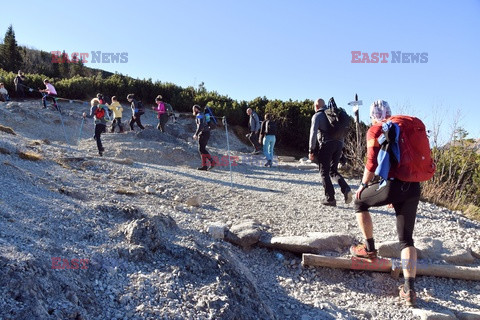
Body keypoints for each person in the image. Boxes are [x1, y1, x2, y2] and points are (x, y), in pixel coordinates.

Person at [350, 100, 420, 307]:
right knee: (406, 240)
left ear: (373, 115)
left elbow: (372, 162)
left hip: (393, 186)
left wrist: (363, 185)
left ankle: (369, 248)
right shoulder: (402, 127)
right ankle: (409, 289)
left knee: (359, 202)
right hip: (413, 186)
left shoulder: (376, 129)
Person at [308, 98, 352, 206]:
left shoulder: (317, 116)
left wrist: (311, 150)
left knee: (324, 172)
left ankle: (330, 199)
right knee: (333, 171)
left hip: (326, 145)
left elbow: (313, 134)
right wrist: (341, 151)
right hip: (338, 145)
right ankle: (346, 188)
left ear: (316, 106)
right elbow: (340, 133)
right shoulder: (334, 115)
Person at [192, 104, 216, 170]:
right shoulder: (202, 114)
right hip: (206, 133)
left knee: (201, 149)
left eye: (193, 109)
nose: (193, 111)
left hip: (203, 133)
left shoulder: (199, 115)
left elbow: (200, 125)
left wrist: (196, 134)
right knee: (202, 149)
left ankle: (212, 162)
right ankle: (204, 166)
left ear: (196, 109)